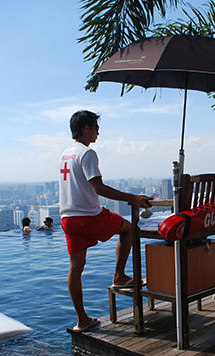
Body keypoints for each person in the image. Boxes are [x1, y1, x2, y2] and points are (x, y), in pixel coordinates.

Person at [59, 110, 152, 333]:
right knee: (128, 229)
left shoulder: (66, 153)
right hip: (88, 215)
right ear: (86, 129)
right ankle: (119, 276)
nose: (98, 132)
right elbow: (98, 188)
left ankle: (82, 320)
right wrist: (133, 199)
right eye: (95, 127)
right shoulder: (87, 153)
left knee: (76, 268)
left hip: (67, 218)